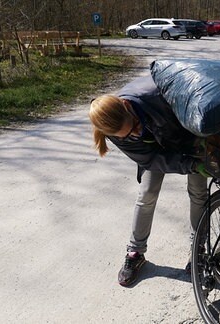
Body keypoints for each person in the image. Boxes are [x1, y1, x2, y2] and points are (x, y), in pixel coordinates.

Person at [88, 75, 209, 287]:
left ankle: (198, 249)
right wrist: (186, 165)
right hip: (155, 148)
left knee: (198, 192)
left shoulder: (157, 96)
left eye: (134, 126)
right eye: (128, 135)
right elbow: (151, 159)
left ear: (126, 105)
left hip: (188, 135)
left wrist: (196, 161)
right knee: (146, 195)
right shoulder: (115, 131)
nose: (134, 133)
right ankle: (135, 252)